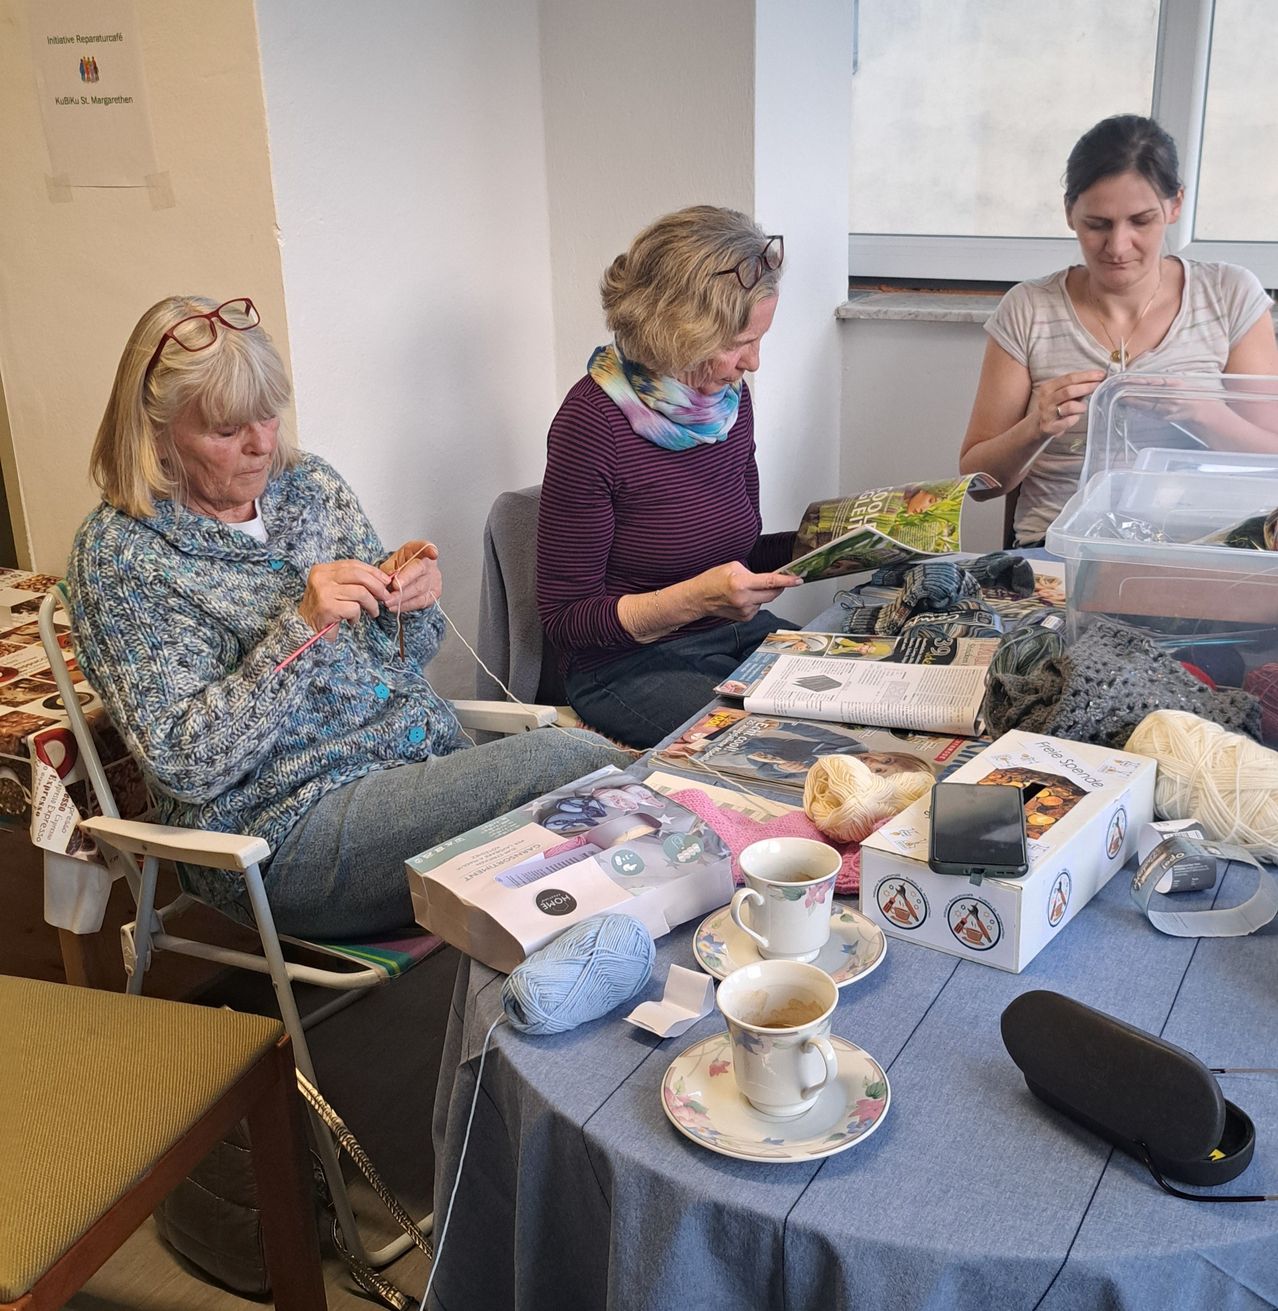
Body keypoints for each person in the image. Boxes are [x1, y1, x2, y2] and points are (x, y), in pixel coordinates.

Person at [68, 296, 627, 939]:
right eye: (226, 432)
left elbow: (400, 659)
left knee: (589, 802)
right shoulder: (122, 556)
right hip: (281, 835)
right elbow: (188, 765)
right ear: (156, 432)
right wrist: (302, 629)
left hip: (414, 778)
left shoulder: (309, 488)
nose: (260, 445)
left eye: (268, 416)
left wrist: (408, 601)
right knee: (574, 763)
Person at [536, 206, 803, 750]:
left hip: (733, 637)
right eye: (738, 344)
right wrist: (697, 600)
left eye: (760, 339)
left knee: (868, 704)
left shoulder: (727, 403)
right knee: (779, 752)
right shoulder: (592, 423)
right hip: (627, 665)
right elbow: (567, 619)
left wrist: (839, 543)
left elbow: (739, 553)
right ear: (679, 330)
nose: (753, 362)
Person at [961, 114, 1278, 547]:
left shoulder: (1228, 295)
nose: (1118, 246)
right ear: (1070, 212)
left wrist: (1202, 413)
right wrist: (1035, 427)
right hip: (1059, 551)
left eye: (1141, 221)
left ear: (1175, 205)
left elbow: (1272, 459)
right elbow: (978, 484)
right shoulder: (1030, 308)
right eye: (1098, 224)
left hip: (1204, 548)